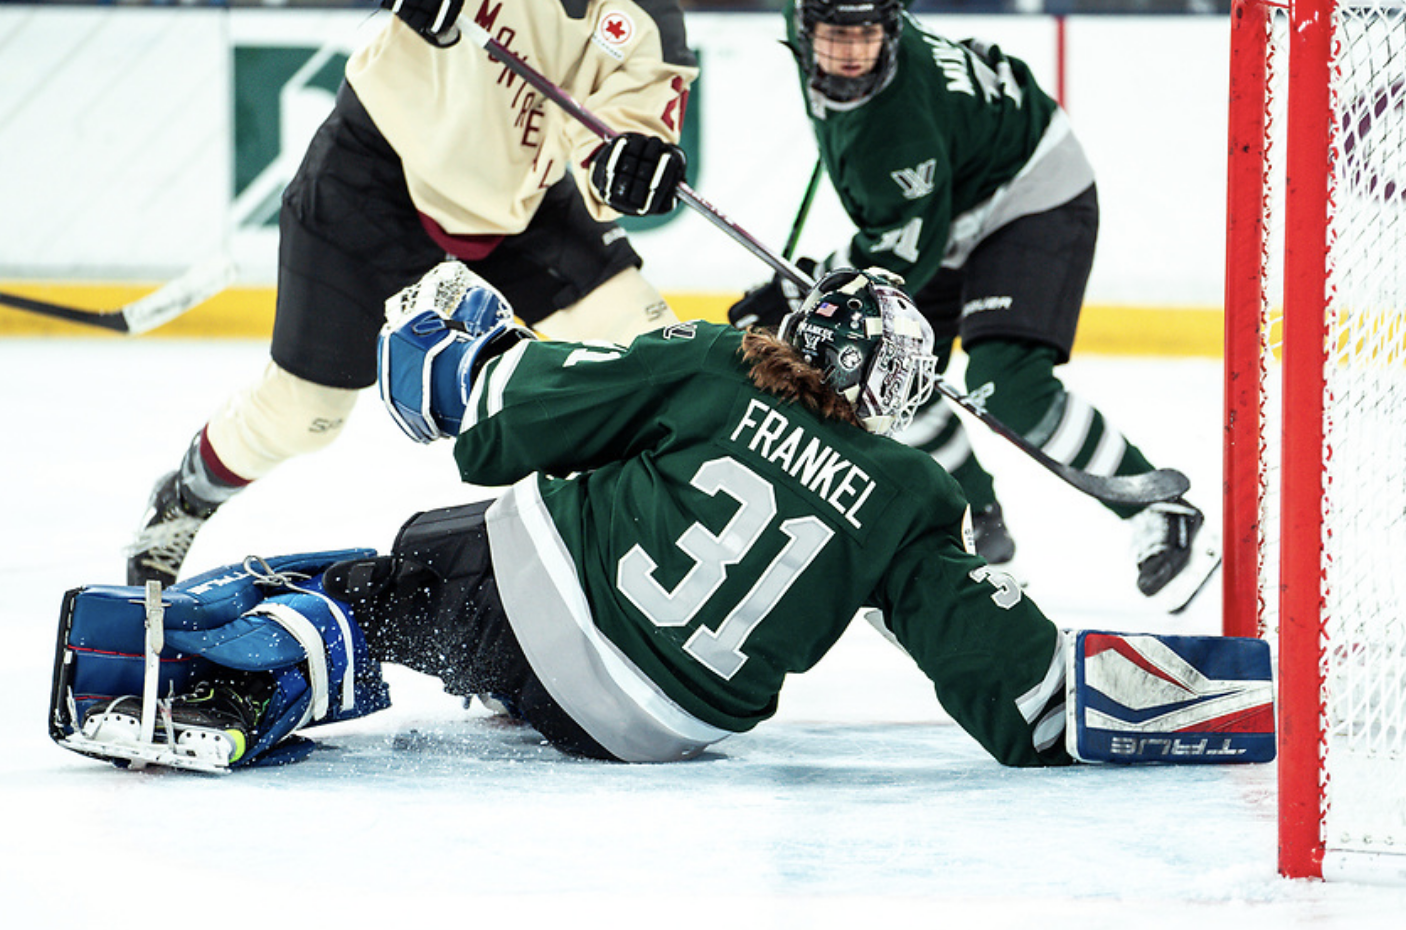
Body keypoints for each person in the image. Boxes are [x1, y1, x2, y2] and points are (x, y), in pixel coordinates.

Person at [52, 263, 1274, 771]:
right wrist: (1238, 694)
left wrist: (457, 341)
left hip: (532, 610)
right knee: (433, 579)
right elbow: (1021, 700)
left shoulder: (711, 365)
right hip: (653, 734)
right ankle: (301, 655)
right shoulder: (918, 497)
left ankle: (205, 679)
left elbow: (484, 418)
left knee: (374, 588)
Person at [125, 0, 697, 588]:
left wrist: (631, 165)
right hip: (377, 164)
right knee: (305, 416)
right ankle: (188, 494)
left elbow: (635, 129)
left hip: (518, 203)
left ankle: (667, 566)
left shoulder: (651, 20)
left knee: (658, 360)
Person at [727, 0, 1218, 612]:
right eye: (834, 35)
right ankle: (975, 515)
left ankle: (1156, 503)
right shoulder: (818, 36)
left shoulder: (900, 127)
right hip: (947, 206)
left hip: (1027, 195)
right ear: (803, 28)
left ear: (892, 29)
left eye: (867, 34)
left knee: (1010, 388)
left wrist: (801, 289)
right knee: (876, 377)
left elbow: (904, 253)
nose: (851, 52)